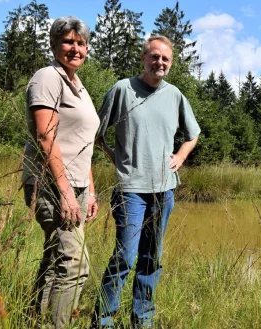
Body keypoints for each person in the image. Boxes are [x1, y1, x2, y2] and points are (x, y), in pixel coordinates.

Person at [90, 35, 201, 328]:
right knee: (125, 257)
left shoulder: (175, 95)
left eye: (165, 58)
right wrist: (115, 158)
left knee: (152, 259)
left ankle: (143, 320)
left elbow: (193, 135)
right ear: (143, 58)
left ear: (171, 62)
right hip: (130, 191)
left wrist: (180, 156)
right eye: (154, 57)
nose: (159, 62)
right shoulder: (122, 90)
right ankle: (103, 320)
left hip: (164, 190)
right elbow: (96, 134)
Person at [21, 16, 99, 329]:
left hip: (76, 185)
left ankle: (36, 321)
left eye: (80, 43)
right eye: (68, 41)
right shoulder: (48, 77)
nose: (75, 48)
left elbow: (84, 144)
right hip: (53, 185)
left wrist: (90, 190)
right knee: (76, 264)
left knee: (57, 261)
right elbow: (45, 137)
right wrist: (66, 193)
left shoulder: (78, 86)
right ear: (54, 45)